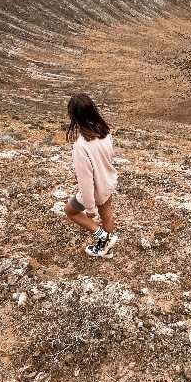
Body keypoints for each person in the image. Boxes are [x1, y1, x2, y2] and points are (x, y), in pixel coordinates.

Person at [63, 93, 119, 258]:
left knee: (70, 211)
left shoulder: (81, 146)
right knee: (107, 214)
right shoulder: (105, 132)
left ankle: (104, 238)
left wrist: (89, 207)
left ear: (74, 117)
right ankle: (106, 249)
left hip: (96, 190)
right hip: (108, 182)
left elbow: (85, 180)